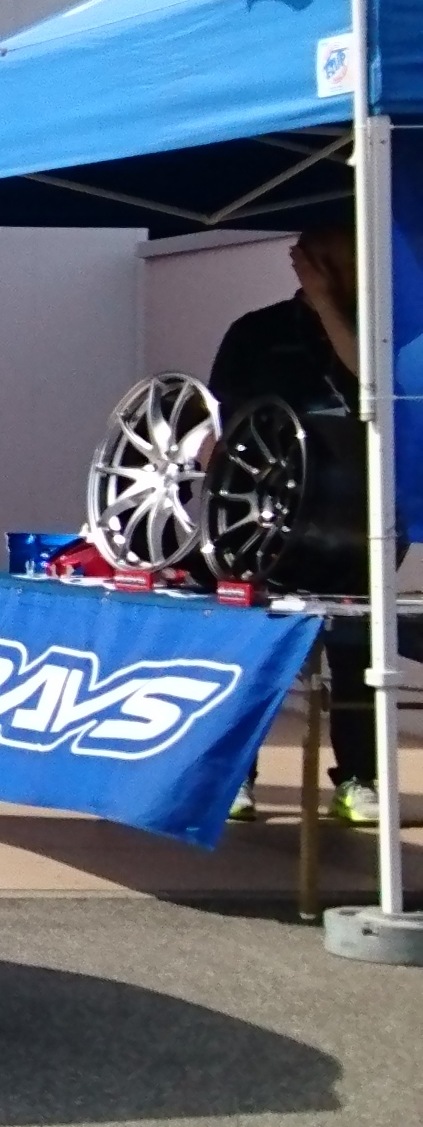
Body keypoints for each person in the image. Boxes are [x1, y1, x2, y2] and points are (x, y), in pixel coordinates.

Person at [208, 223, 391, 826]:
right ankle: (235, 775)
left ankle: (359, 778)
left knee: (356, 650)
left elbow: (372, 386)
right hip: (264, 522)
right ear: (303, 258)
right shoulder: (255, 332)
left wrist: (331, 307)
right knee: (253, 647)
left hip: (357, 520)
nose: (350, 269)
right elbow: (222, 423)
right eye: (336, 257)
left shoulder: (378, 328)